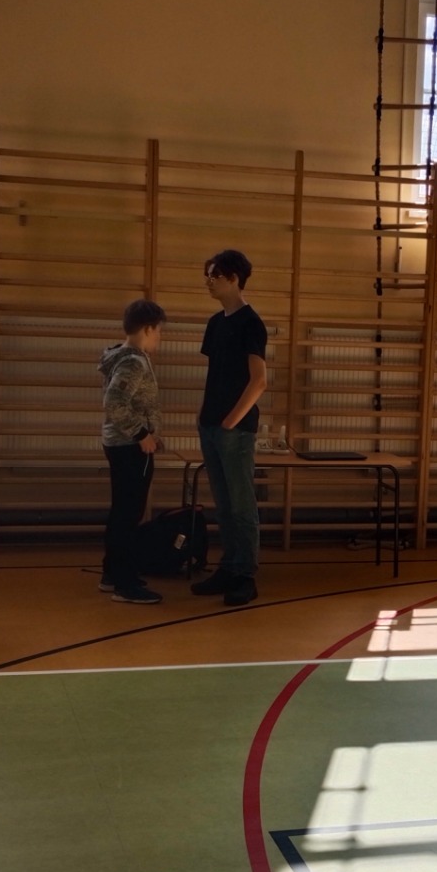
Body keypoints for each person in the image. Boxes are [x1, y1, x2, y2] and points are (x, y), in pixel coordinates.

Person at [191, 249, 269, 606]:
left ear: (234, 279)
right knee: (223, 504)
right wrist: (205, 414)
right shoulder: (215, 323)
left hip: (233, 430)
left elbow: (259, 380)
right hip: (211, 424)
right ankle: (229, 566)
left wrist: (230, 421)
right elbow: (217, 374)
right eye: (207, 275)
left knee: (241, 505)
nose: (209, 282)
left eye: (215, 276)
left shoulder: (251, 323)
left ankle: (245, 575)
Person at [99, 298, 167, 605]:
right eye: (159, 331)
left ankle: (112, 573)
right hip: (129, 446)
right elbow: (114, 402)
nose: (159, 337)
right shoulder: (133, 362)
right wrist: (141, 434)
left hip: (122, 444)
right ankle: (125, 584)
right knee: (129, 514)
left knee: (122, 512)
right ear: (147, 329)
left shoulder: (123, 356)